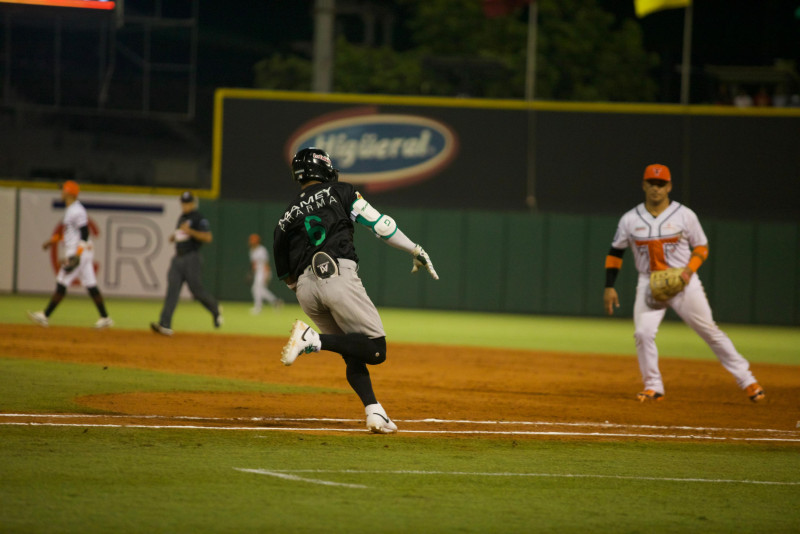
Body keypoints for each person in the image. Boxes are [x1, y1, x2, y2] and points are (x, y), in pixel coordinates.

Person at [274, 147, 439, 434]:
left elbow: (285, 272)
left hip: (304, 289)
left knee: (352, 350)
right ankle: (312, 340)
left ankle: (375, 412)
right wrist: (414, 247)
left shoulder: (285, 216)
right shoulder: (340, 191)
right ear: (324, 169)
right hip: (335, 272)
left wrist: (307, 287)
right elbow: (380, 225)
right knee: (376, 349)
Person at [603, 164, 764, 403]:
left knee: (709, 331)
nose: (656, 188)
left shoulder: (684, 215)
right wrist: (609, 286)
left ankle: (747, 380)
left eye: (661, 184)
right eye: (651, 183)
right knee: (643, 333)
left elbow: (701, 247)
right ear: (644, 185)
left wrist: (688, 272)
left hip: (684, 281)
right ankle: (653, 386)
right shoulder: (629, 219)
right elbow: (616, 252)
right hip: (649, 282)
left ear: (669, 186)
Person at [27, 180, 113, 329]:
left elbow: (85, 233)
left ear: (69, 193)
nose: (61, 193)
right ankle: (105, 317)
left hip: (79, 251)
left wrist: (77, 255)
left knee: (62, 281)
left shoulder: (77, 210)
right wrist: (52, 241)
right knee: (91, 284)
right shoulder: (71, 209)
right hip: (83, 251)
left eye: (63, 190)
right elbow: (70, 234)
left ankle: (45, 315)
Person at [150, 191, 222, 336]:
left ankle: (215, 308)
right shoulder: (182, 217)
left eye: (187, 202)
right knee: (172, 290)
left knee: (196, 291)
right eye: (183, 202)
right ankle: (165, 324)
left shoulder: (198, 217)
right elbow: (181, 234)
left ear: (193, 203)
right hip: (178, 258)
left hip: (192, 258)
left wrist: (190, 231)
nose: (185, 205)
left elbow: (208, 237)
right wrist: (174, 236)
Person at [248, 233, 282, 314]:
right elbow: (254, 264)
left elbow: (266, 264)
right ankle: (276, 301)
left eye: (253, 240)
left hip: (263, 271)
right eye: (251, 240)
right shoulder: (252, 251)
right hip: (258, 272)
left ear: (257, 241)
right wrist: (251, 273)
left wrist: (266, 274)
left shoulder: (261, 250)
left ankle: (258, 307)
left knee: (257, 289)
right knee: (257, 289)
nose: (251, 241)